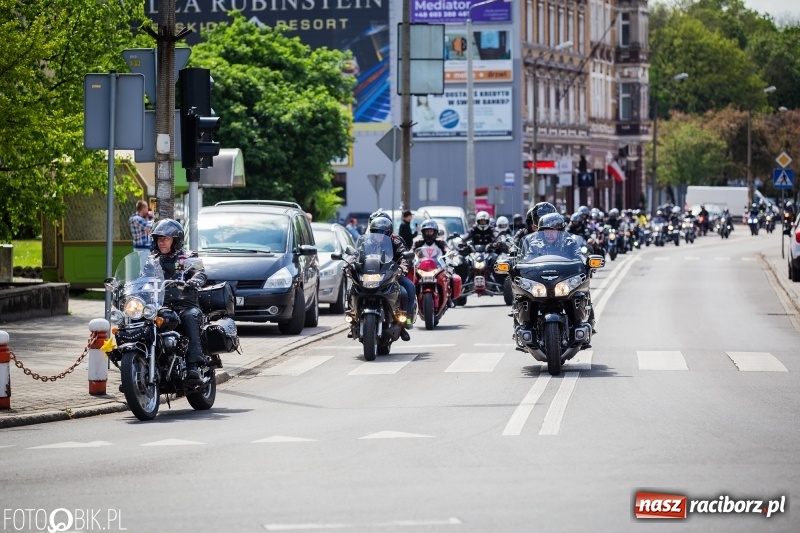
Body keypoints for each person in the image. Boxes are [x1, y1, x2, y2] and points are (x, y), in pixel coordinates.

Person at [145, 219, 208, 383]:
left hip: (184, 304)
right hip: (160, 306)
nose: (161, 242)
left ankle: (193, 366)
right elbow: (143, 279)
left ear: (176, 240)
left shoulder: (185, 258)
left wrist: (194, 280)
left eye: (166, 238)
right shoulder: (152, 261)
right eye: (159, 239)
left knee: (190, 317)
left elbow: (200, 272)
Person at [367, 212, 416, 328]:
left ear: (389, 231)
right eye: (376, 231)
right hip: (372, 276)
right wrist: (350, 263)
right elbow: (357, 254)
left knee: (407, 290)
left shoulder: (396, 240)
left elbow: (405, 256)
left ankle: (406, 319)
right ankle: (354, 316)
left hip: (392, 274)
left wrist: (402, 267)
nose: (380, 235)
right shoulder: (367, 241)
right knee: (352, 289)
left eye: (383, 232)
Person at [412, 219, 455, 308]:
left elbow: (447, 249)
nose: (429, 234)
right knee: (411, 279)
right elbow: (411, 251)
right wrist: (409, 255)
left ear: (435, 232)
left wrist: (450, 253)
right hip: (421, 267)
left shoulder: (440, 242)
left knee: (450, 277)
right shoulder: (418, 242)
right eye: (427, 231)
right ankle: (412, 300)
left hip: (438, 266)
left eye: (431, 231)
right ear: (423, 232)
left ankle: (449, 298)